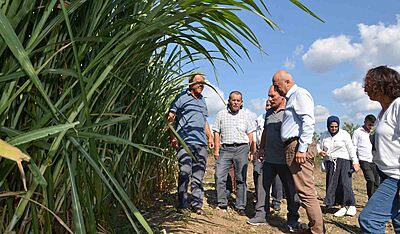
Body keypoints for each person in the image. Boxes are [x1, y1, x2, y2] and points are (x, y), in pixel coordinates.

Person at [272, 70, 324, 234]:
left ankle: (317, 230)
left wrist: (301, 149)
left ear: (286, 82)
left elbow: (308, 121)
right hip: (292, 146)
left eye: (276, 85)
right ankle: (316, 227)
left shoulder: (300, 94)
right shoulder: (291, 98)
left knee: (306, 191)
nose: (276, 89)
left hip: (297, 146)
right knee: (304, 190)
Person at [247, 86, 301, 233]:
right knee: (261, 186)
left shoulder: (290, 112)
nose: (269, 99)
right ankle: (260, 214)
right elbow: (265, 131)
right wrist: (262, 148)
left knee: (290, 191)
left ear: (282, 96)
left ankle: (293, 218)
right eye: (269, 96)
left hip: (285, 161)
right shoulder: (269, 113)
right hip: (269, 159)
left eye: (272, 96)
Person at [359, 66, 400, 233]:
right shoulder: (382, 112)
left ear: (383, 85)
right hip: (385, 173)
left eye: (370, 83)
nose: (366, 88)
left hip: (396, 177)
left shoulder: (398, 105)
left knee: (369, 220)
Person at [167, 73, 214, 215]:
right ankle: (182, 204)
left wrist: (210, 137)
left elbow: (204, 121)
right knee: (184, 172)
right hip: (184, 141)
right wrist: (173, 136)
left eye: (203, 83)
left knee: (198, 175)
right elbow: (170, 116)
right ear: (190, 84)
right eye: (199, 82)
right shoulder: (182, 97)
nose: (202, 85)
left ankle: (197, 204)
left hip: (201, 143)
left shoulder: (202, 101)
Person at [213, 91, 256, 216]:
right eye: (233, 100)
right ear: (229, 101)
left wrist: (251, 152)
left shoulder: (246, 115)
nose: (236, 102)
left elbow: (251, 135)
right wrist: (216, 150)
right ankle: (222, 203)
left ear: (241, 102)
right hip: (225, 148)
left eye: (238, 100)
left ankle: (240, 206)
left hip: (242, 148)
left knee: (241, 178)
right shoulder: (221, 114)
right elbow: (216, 132)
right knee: (219, 176)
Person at [319, 116, 360, 217]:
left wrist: (355, 161)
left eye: (336, 126)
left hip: (344, 160)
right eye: (331, 126)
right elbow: (319, 147)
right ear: (328, 126)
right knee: (333, 185)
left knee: (345, 183)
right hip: (331, 162)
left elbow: (351, 148)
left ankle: (351, 204)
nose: (333, 128)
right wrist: (320, 152)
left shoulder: (344, 134)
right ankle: (341, 206)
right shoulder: (324, 135)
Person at [253, 100, 284, 211]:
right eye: (267, 105)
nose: (268, 106)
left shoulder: (281, 115)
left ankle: (276, 201)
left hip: (274, 150)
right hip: (260, 150)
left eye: (270, 104)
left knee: (277, 178)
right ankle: (261, 202)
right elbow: (256, 134)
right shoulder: (260, 118)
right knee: (259, 175)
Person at [352, 114, 380, 199]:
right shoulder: (357, 132)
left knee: (376, 182)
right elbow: (353, 147)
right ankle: (370, 198)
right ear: (365, 122)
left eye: (372, 125)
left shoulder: (375, 133)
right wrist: (355, 162)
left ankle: (374, 200)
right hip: (364, 160)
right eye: (369, 125)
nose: (371, 127)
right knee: (370, 180)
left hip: (374, 160)